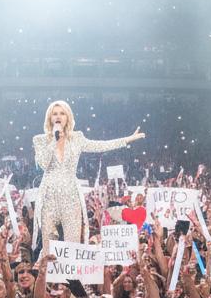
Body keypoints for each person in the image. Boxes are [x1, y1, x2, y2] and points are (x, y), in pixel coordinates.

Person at [32, 99, 144, 251]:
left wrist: (127, 140)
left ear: (68, 117)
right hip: (48, 199)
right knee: (48, 249)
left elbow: (100, 145)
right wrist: (54, 141)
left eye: (62, 113)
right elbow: (44, 164)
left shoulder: (77, 138)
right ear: (49, 118)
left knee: (73, 247)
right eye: (54, 114)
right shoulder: (40, 140)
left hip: (71, 198)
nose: (58, 116)